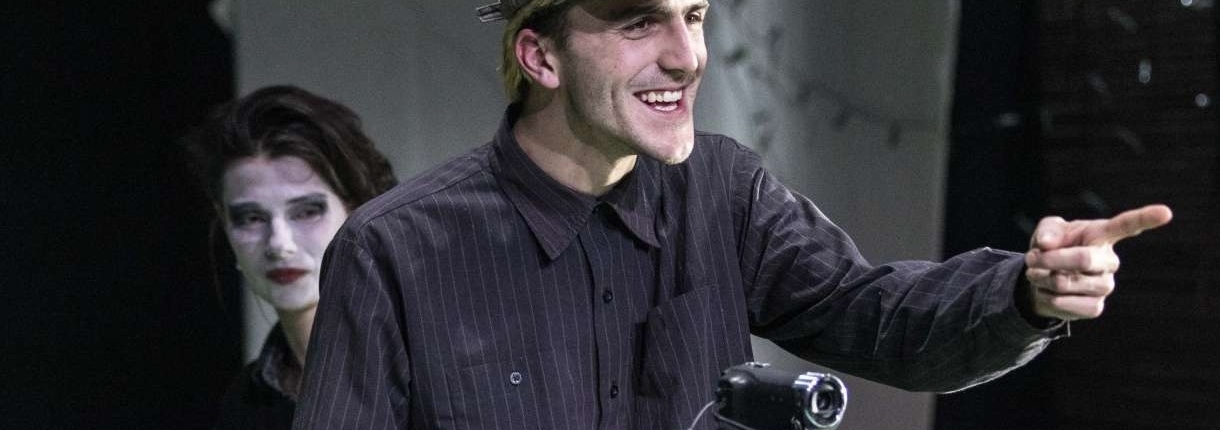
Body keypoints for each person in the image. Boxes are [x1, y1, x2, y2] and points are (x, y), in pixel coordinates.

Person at [293, 0, 1173, 428]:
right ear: (541, 57)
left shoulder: (722, 190)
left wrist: (1024, 293)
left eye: (694, 14)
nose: (687, 56)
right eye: (639, 23)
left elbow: (881, 321)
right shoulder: (394, 248)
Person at [183, 85, 397, 429]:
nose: (279, 244)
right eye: (251, 218)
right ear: (224, 224)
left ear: (357, 210)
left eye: (307, 211)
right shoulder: (244, 406)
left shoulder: (429, 364)